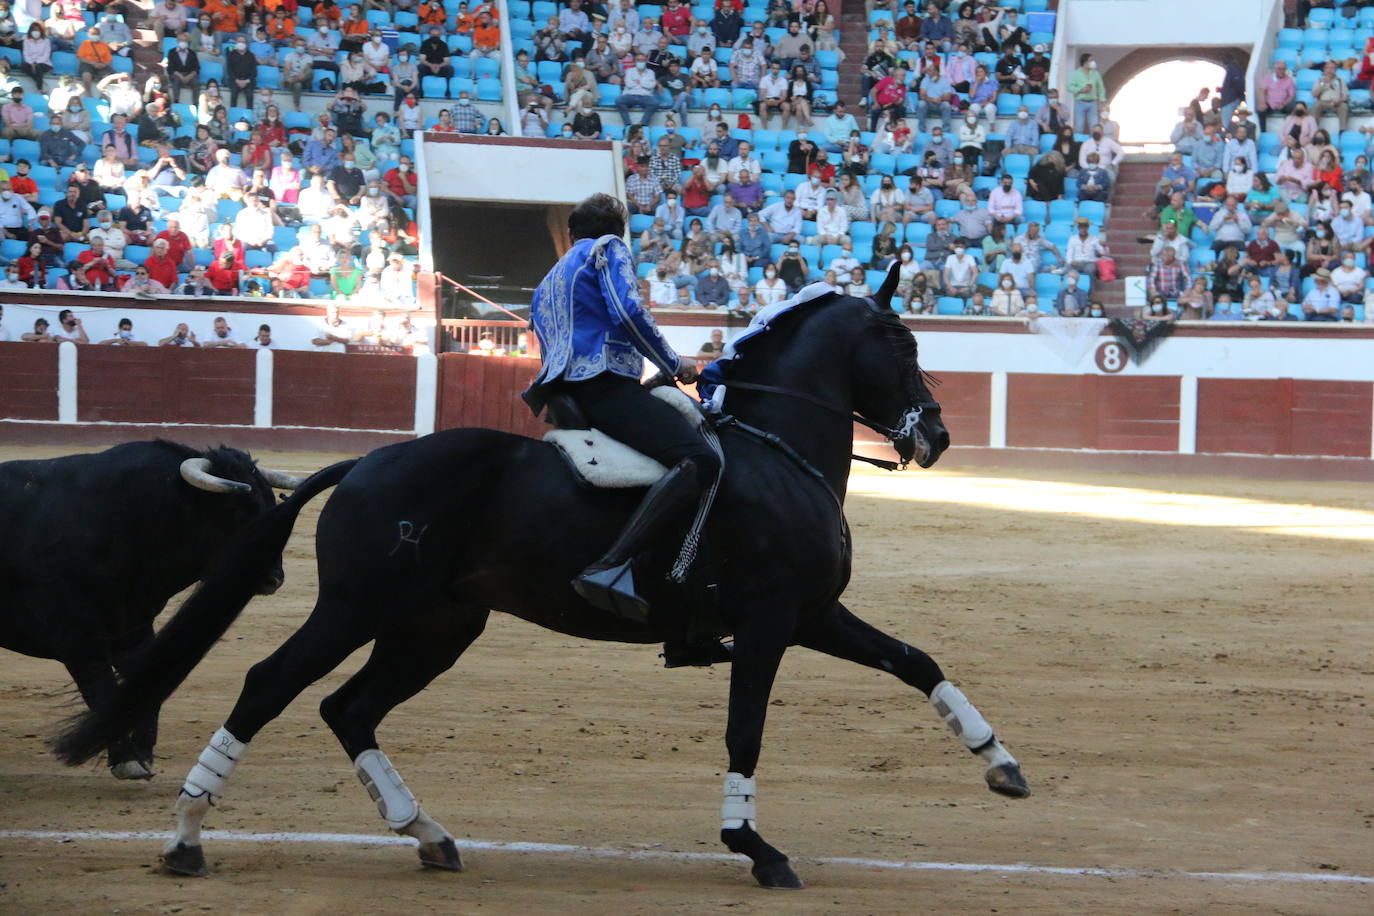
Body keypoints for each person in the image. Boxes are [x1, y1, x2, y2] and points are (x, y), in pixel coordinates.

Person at [522, 193, 721, 665]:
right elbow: (628, 312)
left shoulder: (550, 277)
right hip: (604, 386)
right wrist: (674, 363)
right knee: (701, 458)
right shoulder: (607, 248)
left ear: (571, 232)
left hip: (565, 397)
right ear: (620, 229)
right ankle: (613, 565)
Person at [1067, 53, 1105, 134]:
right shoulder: (1076, 73)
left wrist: (1102, 100)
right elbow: (1069, 87)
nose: (1093, 62)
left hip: (1092, 102)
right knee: (1079, 126)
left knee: (1094, 126)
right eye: (1091, 60)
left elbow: (1101, 87)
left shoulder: (1095, 73)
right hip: (1080, 102)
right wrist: (1081, 90)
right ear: (1085, 62)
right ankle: (1078, 144)